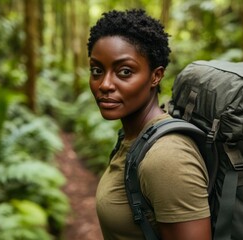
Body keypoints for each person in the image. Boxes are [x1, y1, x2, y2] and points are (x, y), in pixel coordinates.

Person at [87, 9, 211, 240]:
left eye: (124, 71)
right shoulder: (134, 138)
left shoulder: (166, 158)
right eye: (97, 70)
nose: (104, 84)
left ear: (156, 76)